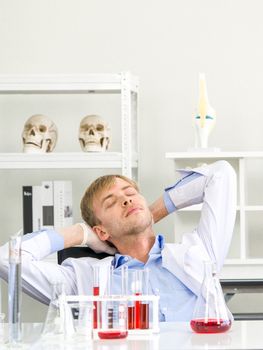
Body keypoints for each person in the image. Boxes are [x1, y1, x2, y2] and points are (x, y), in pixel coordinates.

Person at [0, 160, 236, 321]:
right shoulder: (83, 279)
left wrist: (150, 215)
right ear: (101, 231)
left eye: (130, 194)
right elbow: (7, 258)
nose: (126, 200)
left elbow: (221, 173)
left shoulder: (198, 253)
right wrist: (81, 233)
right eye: (111, 203)